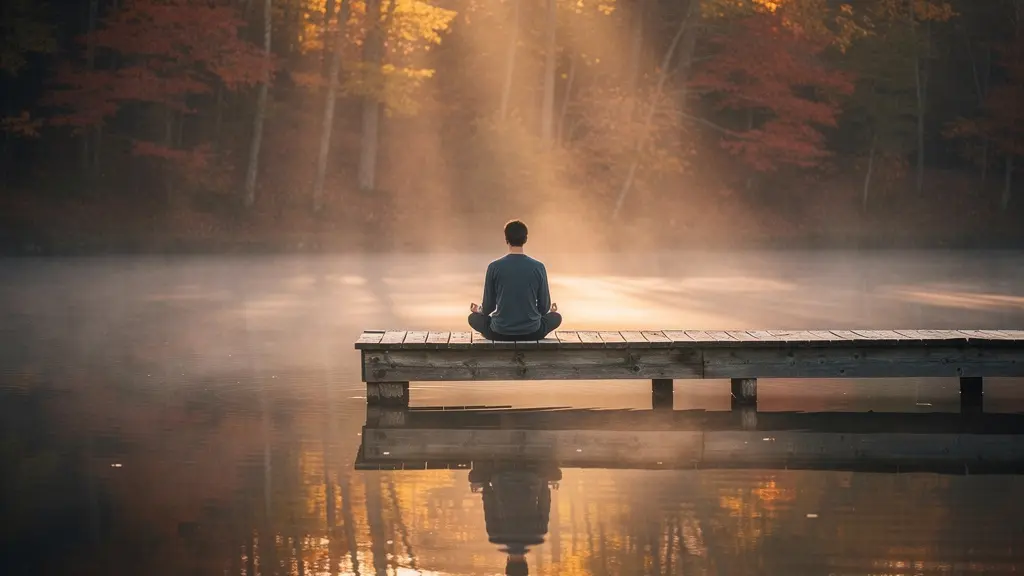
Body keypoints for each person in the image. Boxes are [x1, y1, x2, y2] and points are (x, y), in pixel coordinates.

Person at [468, 220, 562, 341]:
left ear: (506, 239)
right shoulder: (539, 267)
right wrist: (550, 311)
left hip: (500, 332)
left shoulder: (494, 267)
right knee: (556, 317)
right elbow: (544, 307)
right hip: (532, 332)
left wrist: (479, 310)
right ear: (525, 239)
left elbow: (488, 307)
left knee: (473, 318)